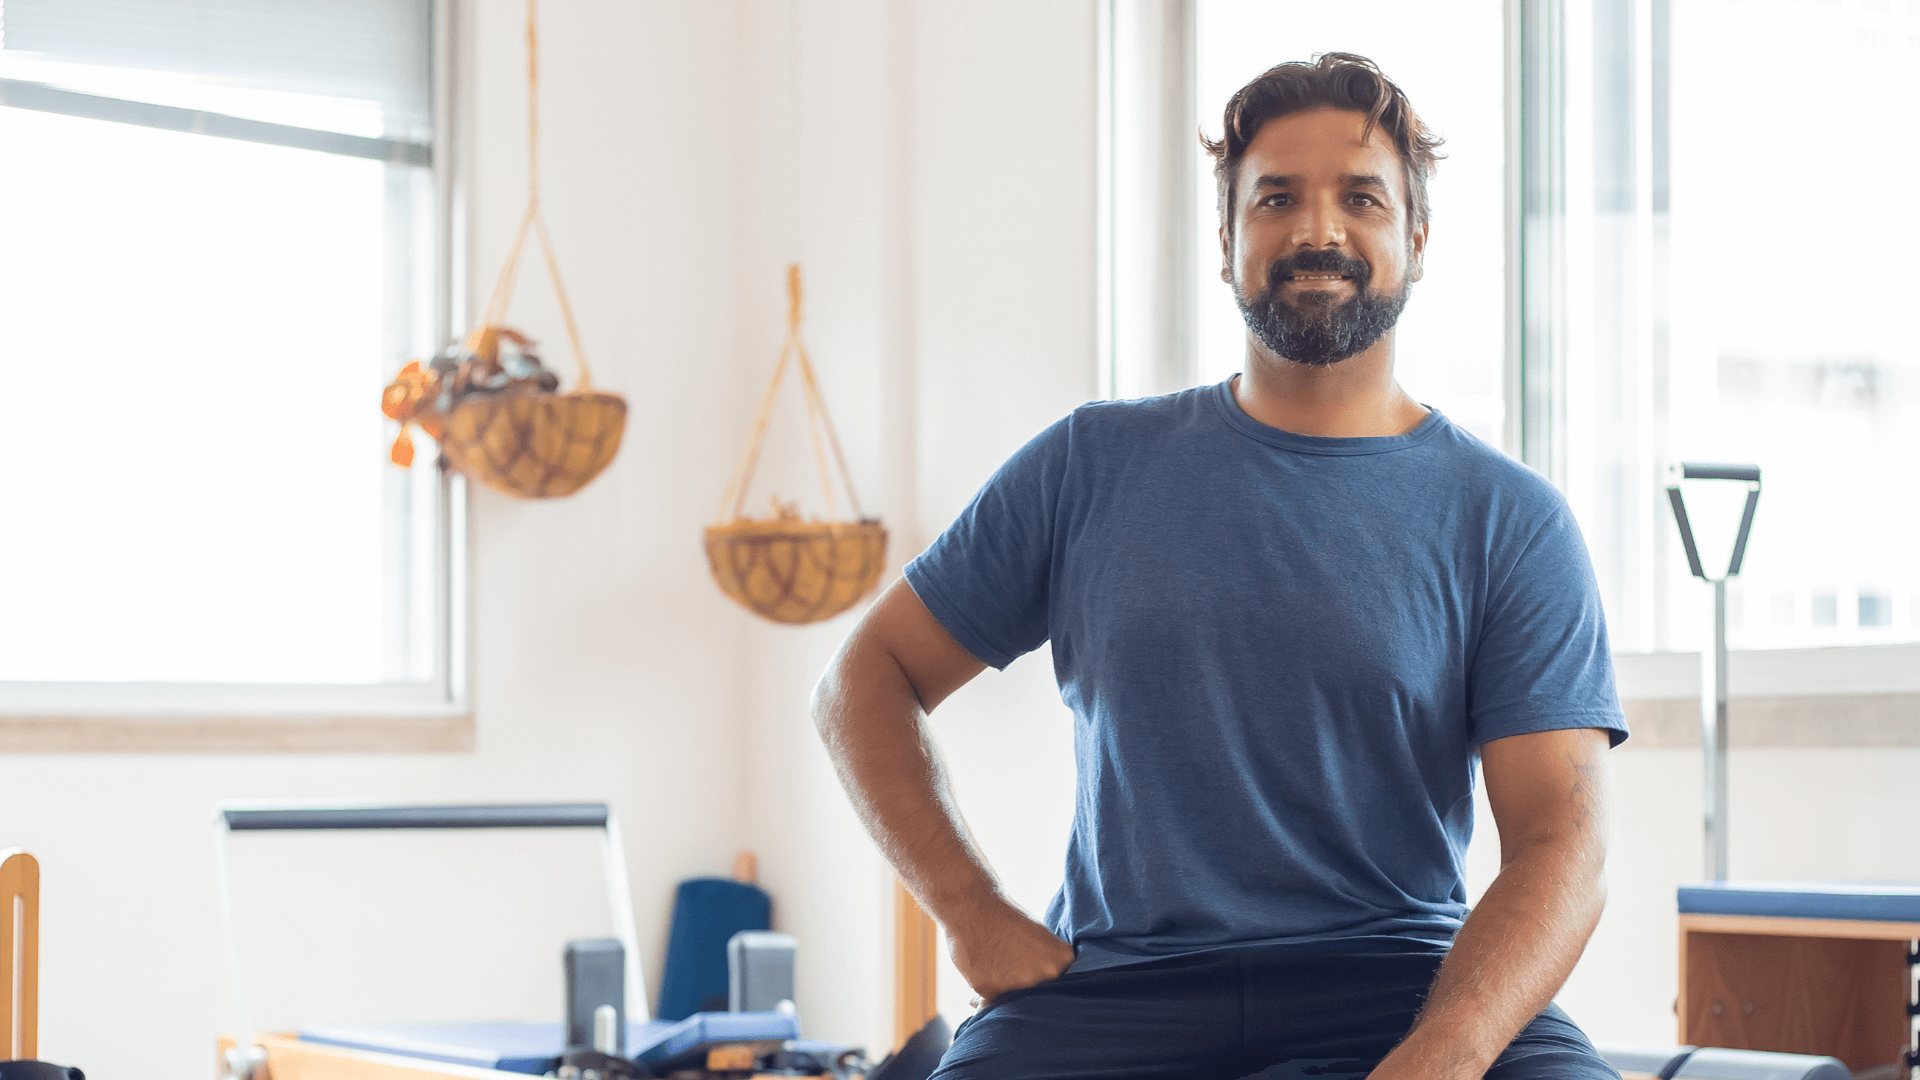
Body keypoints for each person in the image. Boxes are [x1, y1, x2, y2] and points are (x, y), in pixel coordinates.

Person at [812, 52, 1627, 1080]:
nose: (1317, 230)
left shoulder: (1508, 520)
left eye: (1361, 199)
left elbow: (1564, 840)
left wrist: (1454, 1044)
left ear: (1416, 239)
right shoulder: (1089, 464)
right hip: (1118, 989)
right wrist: (969, 910)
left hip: (1400, 981)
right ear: (1227, 239)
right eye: (1276, 197)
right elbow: (860, 682)